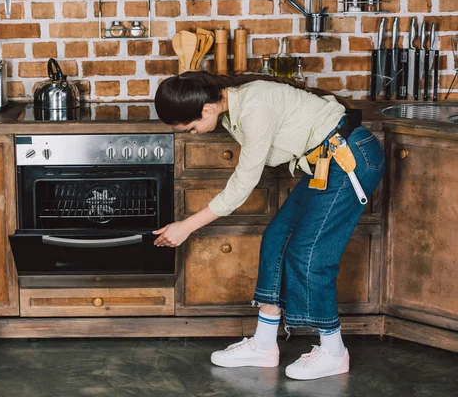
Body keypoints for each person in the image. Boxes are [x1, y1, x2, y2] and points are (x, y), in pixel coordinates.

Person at [152, 71, 384, 380]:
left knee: (310, 255)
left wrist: (186, 226)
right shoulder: (232, 112)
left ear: (206, 109)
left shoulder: (252, 106)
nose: (194, 133)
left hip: (350, 158)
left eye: (191, 127)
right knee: (277, 237)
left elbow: (242, 184)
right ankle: (264, 345)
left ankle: (334, 351)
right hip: (326, 162)